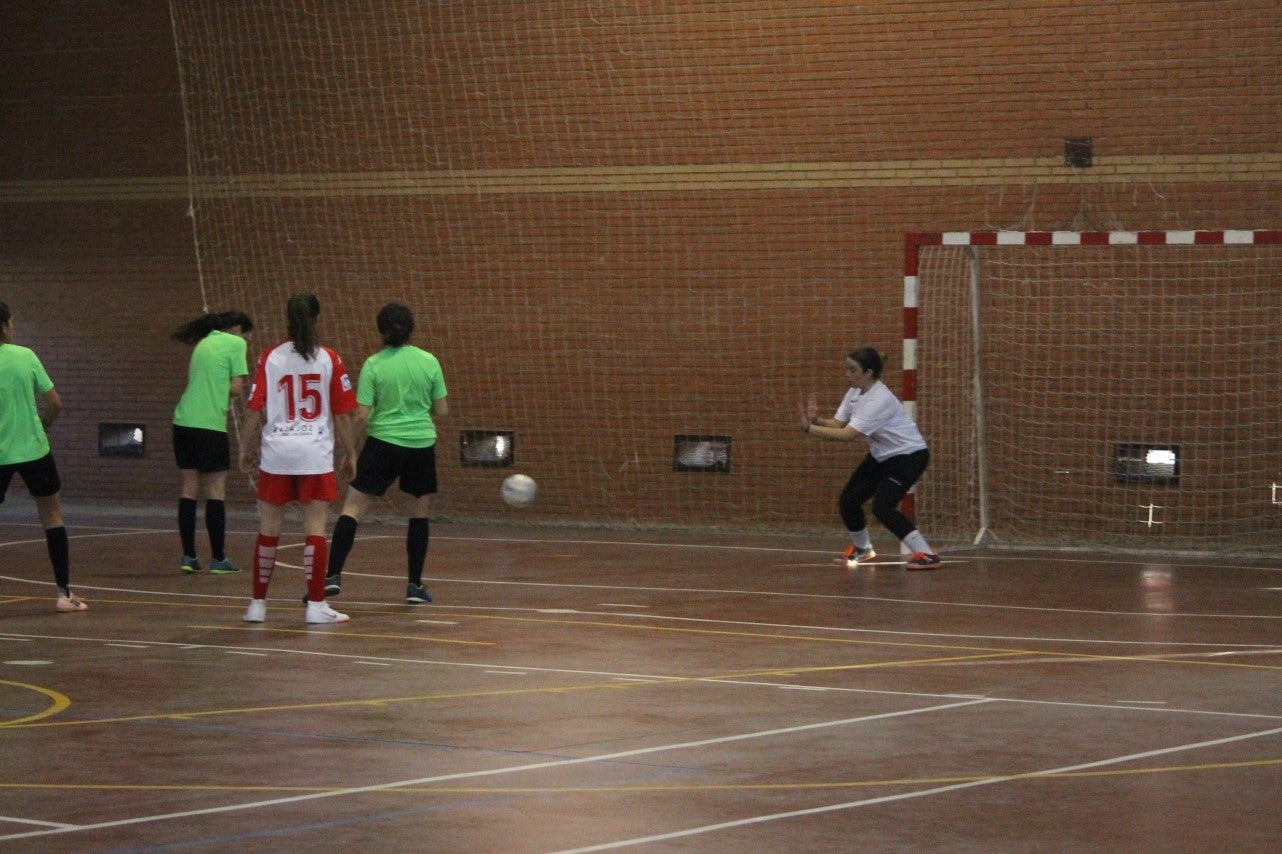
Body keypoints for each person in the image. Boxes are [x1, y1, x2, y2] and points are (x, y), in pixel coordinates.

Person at [239, 293, 357, 624]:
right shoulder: (329, 359)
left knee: (269, 528)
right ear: (316, 318)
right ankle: (316, 606)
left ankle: (257, 605)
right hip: (314, 454)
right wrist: (351, 454)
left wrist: (245, 448)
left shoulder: (269, 358)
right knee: (315, 528)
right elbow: (343, 414)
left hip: (276, 453)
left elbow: (254, 407)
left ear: (286, 318)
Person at [324, 302, 448, 604]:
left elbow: (361, 415)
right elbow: (441, 409)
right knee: (418, 514)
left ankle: (332, 576)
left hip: (383, 444)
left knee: (353, 508)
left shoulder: (374, 365)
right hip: (420, 445)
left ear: (380, 330)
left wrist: (351, 452)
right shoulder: (429, 361)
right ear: (411, 329)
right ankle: (415, 586)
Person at [800, 346, 941, 570]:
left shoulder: (879, 400)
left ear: (868, 373)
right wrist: (817, 420)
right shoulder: (855, 392)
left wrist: (810, 430)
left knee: (882, 507)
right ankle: (863, 549)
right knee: (849, 500)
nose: (848, 375)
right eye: (847, 369)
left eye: (852, 370)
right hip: (882, 455)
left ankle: (925, 553)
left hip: (909, 456)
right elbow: (838, 424)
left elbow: (848, 435)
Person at [0, 301, 88, 611]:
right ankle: (65, 595)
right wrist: (46, 425)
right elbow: (56, 403)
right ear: (7, 325)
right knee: (52, 518)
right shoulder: (25, 356)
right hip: (34, 449)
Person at [171, 309, 254, 575]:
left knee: (189, 488)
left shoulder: (203, 343)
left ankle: (188, 556)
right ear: (239, 329)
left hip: (183, 422)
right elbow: (235, 388)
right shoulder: (236, 343)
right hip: (210, 425)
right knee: (216, 492)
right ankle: (218, 558)